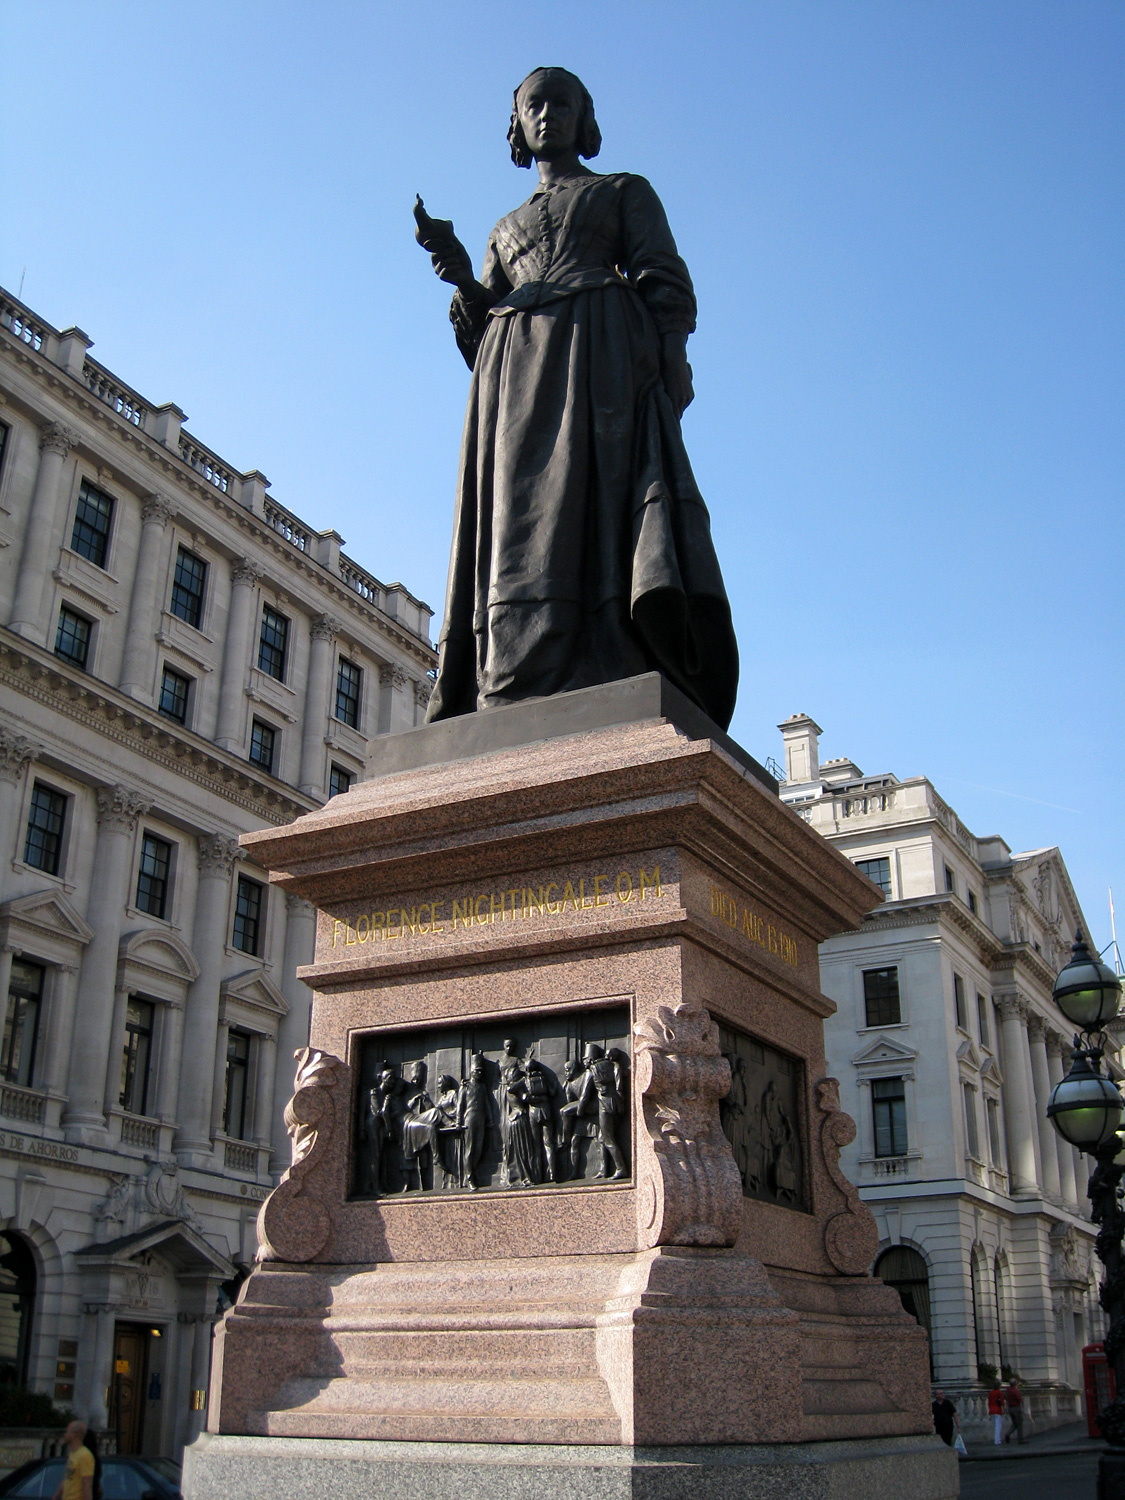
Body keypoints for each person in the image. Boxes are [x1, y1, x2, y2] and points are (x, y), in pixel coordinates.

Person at [417, 67, 738, 728]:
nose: (546, 115)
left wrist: (673, 354)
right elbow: (483, 324)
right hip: (514, 375)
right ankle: (514, 661)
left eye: (561, 103)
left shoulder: (623, 192)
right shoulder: (503, 226)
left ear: (583, 118)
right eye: (533, 105)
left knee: (599, 501)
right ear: (517, 123)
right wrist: (460, 279)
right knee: (517, 516)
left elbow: (661, 275)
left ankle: (608, 646)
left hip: (602, 355)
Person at [52, 1420, 94, 1500]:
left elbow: (87, 1485)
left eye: (68, 1431)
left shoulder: (85, 1456)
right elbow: (66, 1480)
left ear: (75, 1435)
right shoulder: (73, 1454)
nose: (65, 1434)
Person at [1003, 1377, 1025, 1444]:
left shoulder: (1008, 1390)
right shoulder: (1015, 1391)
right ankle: (1020, 1439)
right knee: (1019, 1424)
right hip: (1016, 1408)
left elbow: (1006, 1397)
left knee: (1014, 1423)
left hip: (1010, 1408)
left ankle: (1008, 1433)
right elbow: (1019, 1399)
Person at [987, 1379, 1006, 1445]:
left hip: (992, 1410)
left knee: (996, 1425)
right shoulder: (999, 1392)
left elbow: (989, 1402)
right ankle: (997, 1440)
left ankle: (997, 1439)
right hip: (997, 1410)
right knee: (998, 1426)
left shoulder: (991, 1392)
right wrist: (1004, 1409)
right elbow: (1002, 1402)